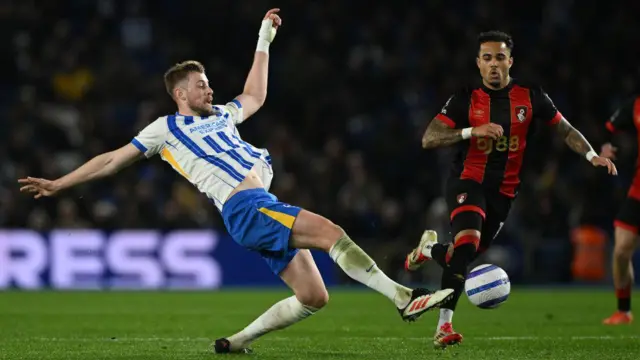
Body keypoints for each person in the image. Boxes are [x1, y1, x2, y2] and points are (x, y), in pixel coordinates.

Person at [18, 8, 453, 354]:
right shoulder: (165, 128)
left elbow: (256, 95)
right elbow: (113, 159)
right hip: (245, 207)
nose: (210, 90)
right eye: (201, 86)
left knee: (314, 296)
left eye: (209, 84)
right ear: (180, 95)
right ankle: (401, 296)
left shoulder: (223, 115)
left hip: (259, 205)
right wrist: (60, 184)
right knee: (330, 233)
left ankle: (238, 342)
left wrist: (264, 38)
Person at [403, 30, 618, 348]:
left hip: (503, 193)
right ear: (478, 63)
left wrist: (591, 155)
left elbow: (565, 128)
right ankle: (444, 327)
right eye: (487, 58)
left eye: (499, 58)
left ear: (510, 61)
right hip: (468, 180)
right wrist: (471, 130)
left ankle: (428, 251)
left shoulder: (531, 97)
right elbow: (429, 138)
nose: (493, 65)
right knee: (466, 244)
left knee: (460, 255)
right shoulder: (466, 99)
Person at [599, 95, 640, 325]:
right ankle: (623, 311)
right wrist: (608, 148)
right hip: (638, 191)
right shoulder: (635, 106)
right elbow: (610, 128)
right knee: (622, 250)